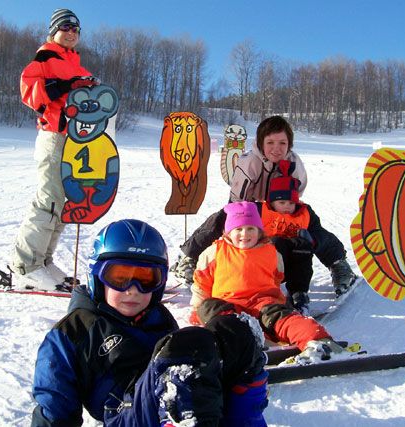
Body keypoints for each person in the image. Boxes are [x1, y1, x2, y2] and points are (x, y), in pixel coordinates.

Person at [31, 219, 268, 427]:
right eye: (120, 277)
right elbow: (54, 407)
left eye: (146, 279)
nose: (133, 290)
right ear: (97, 277)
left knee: (233, 330)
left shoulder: (157, 316)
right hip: (124, 416)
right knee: (186, 344)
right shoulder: (73, 332)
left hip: (162, 404)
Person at [175, 160, 356, 314]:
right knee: (262, 236)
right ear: (272, 201)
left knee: (305, 244)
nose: (286, 206)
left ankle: (303, 291)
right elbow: (223, 219)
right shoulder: (259, 210)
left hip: (290, 265)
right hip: (258, 263)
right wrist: (193, 251)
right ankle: (187, 259)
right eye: (282, 202)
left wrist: (330, 253)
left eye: (291, 203)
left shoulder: (305, 214)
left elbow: (324, 236)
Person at [190, 202, 353, 362]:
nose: (244, 234)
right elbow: (201, 284)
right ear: (227, 232)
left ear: (259, 231)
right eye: (238, 229)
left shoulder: (271, 251)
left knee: (288, 319)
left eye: (250, 229)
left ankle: (320, 342)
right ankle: (243, 338)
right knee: (209, 307)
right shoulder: (214, 252)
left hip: (264, 305)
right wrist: (198, 309)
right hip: (228, 306)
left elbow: (276, 277)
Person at [12, 8, 100, 290]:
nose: (71, 32)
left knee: (63, 202)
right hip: (54, 135)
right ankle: (25, 265)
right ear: (53, 31)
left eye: (76, 29)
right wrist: (63, 86)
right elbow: (29, 91)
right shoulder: (46, 56)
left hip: (76, 142)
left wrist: (93, 90)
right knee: (49, 198)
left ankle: (44, 261)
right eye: (65, 27)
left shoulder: (79, 65)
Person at [229, 115, 307, 202]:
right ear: (261, 143)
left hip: (280, 207)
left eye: (282, 143)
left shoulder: (293, 163)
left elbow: (296, 196)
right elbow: (237, 201)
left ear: (289, 144)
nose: (276, 149)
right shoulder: (250, 162)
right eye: (270, 142)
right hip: (250, 207)